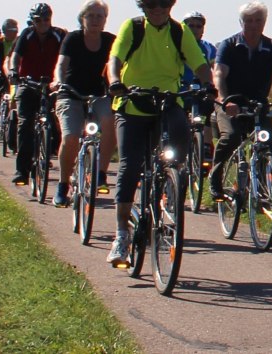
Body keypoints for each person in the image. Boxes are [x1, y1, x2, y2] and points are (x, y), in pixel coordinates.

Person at [105, 0, 214, 265]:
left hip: (167, 100)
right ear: (143, 7)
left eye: (163, 4)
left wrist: (208, 85)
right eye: (152, 5)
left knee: (180, 137)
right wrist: (116, 81)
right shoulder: (133, 27)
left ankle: (170, 183)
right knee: (130, 166)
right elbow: (115, 58)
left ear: (170, 6)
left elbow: (199, 63)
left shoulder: (179, 31)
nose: (158, 9)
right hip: (132, 101)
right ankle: (121, 234)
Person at [208, 1, 272, 202]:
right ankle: (216, 177)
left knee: (266, 142)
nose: (253, 25)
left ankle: (263, 189)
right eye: (248, 21)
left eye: (258, 20)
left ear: (264, 22)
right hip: (229, 101)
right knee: (231, 136)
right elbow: (219, 74)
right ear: (241, 22)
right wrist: (224, 100)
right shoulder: (228, 45)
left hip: (258, 103)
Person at [50, 0, 117, 207]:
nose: (96, 20)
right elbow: (61, 65)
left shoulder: (110, 41)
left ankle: (101, 174)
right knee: (70, 136)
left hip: (99, 95)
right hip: (71, 94)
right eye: (91, 16)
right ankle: (63, 186)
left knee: (110, 119)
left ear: (105, 20)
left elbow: (120, 65)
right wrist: (59, 82)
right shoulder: (73, 39)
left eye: (100, 16)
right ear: (82, 19)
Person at [9, 3, 67, 185]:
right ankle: (22, 171)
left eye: (46, 19)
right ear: (32, 21)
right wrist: (13, 71)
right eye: (38, 20)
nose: (42, 23)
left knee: (57, 121)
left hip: (52, 85)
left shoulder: (60, 35)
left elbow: (67, 57)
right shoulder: (26, 35)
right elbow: (15, 56)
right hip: (29, 83)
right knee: (25, 124)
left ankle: (52, 153)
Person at [181, 11, 217, 168]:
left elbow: (216, 70)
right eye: (191, 26)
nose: (195, 29)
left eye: (198, 26)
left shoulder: (209, 48)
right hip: (181, 89)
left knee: (209, 110)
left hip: (201, 90)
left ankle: (206, 147)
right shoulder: (177, 45)